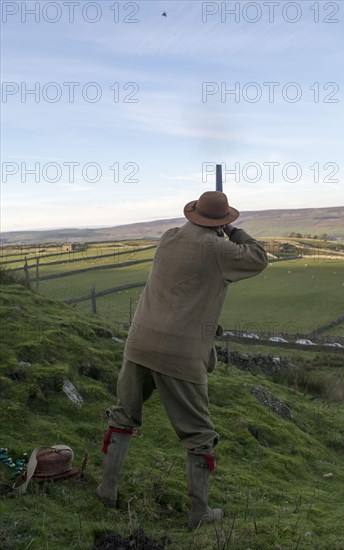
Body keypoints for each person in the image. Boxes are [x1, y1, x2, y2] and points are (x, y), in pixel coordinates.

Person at [97, 191, 268, 529]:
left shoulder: (168, 237)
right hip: (180, 354)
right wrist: (233, 231)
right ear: (223, 221)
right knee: (199, 435)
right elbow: (259, 257)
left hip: (139, 343)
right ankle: (199, 513)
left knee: (123, 415)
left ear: (192, 214)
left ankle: (107, 489)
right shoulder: (220, 249)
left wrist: (219, 229)